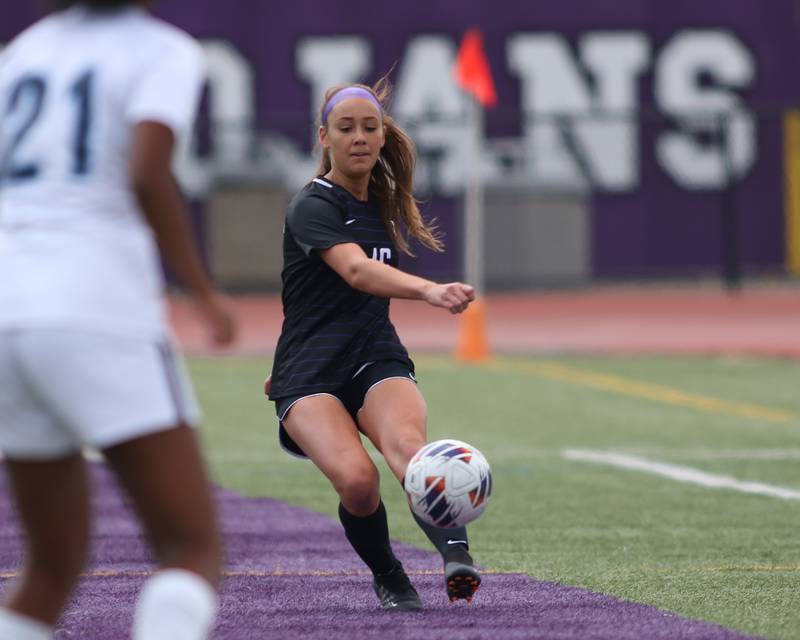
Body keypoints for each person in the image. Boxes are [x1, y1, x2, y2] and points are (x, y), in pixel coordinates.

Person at [0, 1, 235, 639]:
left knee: (49, 568)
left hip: (7, 310)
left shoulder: (23, 52)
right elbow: (146, 171)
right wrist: (202, 292)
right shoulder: (162, 50)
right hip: (94, 305)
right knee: (190, 547)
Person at [265, 76, 480, 611]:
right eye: (346, 128)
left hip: (373, 354)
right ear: (324, 138)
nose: (359, 137)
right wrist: (430, 290)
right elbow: (356, 273)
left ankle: (458, 558)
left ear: (383, 137)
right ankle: (389, 575)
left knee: (411, 453)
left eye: (370, 127)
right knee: (358, 481)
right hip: (310, 369)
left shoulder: (382, 203)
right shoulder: (311, 206)